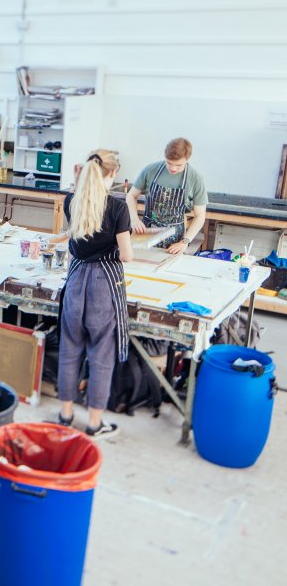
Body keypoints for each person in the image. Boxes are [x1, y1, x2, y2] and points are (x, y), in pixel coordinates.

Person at [57, 150, 133, 439]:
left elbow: (79, 238)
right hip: (103, 285)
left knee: (70, 347)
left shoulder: (71, 201)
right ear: (112, 175)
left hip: (76, 281)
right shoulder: (117, 207)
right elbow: (125, 255)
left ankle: (65, 415)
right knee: (101, 353)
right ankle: (94, 423)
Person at [125, 137, 208, 254]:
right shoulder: (150, 170)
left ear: (187, 159)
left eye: (179, 165)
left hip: (174, 243)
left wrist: (185, 242)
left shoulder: (195, 178)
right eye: (169, 163)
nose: (173, 168)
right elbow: (131, 195)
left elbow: (200, 216)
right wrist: (134, 219)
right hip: (146, 235)